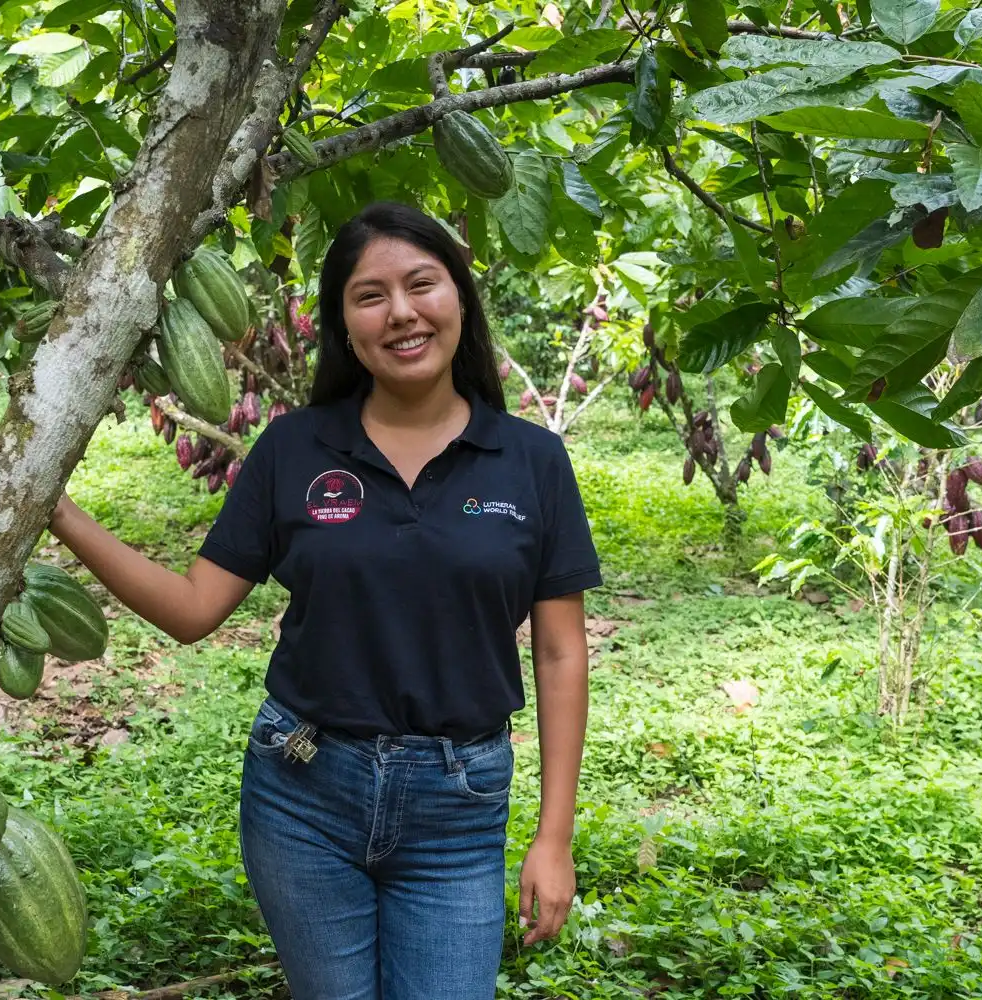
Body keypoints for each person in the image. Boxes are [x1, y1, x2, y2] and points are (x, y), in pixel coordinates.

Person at [48, 201, 602, 1000]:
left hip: (458, 804)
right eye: (370, 295)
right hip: (304, 792)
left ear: (460, 301)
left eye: (422, 284)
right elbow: (193, 608)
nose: (402, 313)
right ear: (343, 325)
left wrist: (554, 837)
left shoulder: (531, 460)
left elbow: (559, 651)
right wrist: (58, 512)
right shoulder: (296, 448)